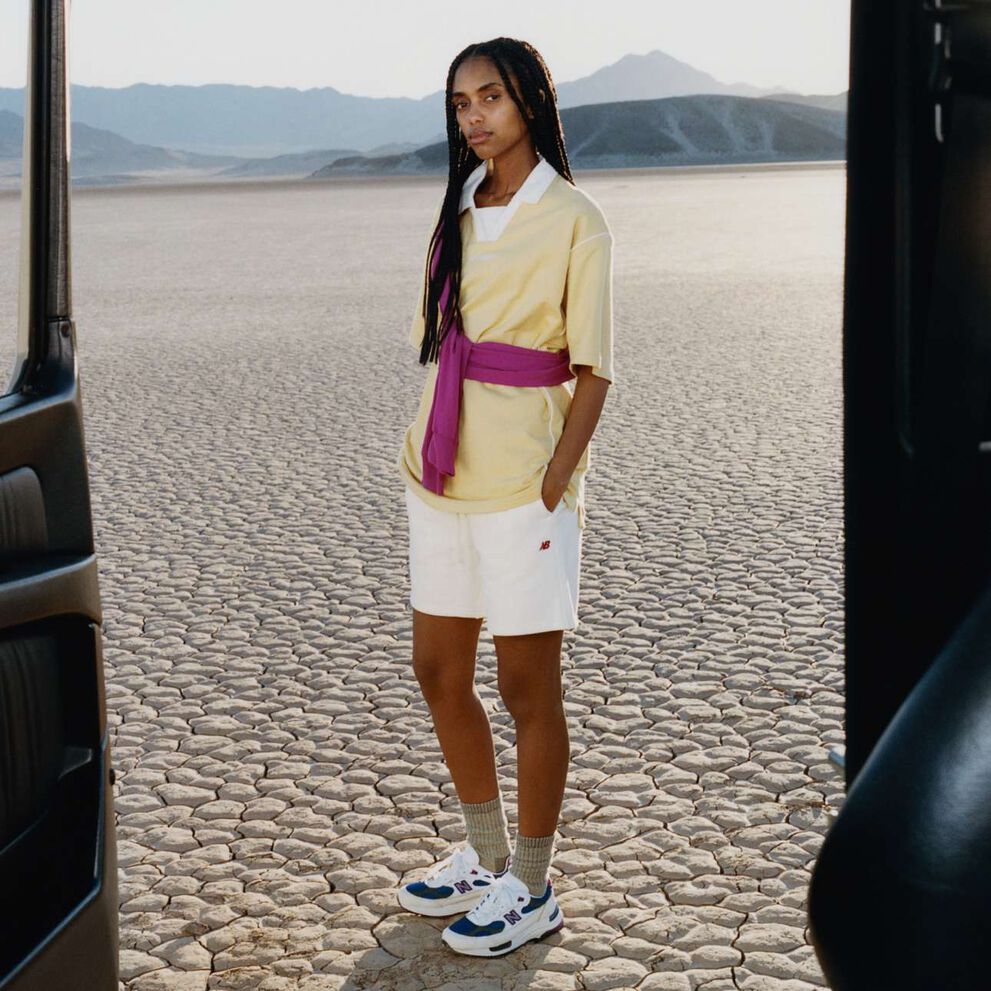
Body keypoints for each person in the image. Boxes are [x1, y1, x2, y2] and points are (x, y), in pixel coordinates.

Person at [394, 37, 616, 958]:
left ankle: (531, 882)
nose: (474, 116)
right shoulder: (455, 207)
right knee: (438, 671)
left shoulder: (575, 217)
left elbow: (595, 370)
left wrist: (554, 481)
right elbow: (438, 339)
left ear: (528, 99)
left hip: (524, 484)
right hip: (438, 470)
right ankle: (485, 861)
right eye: (459, 104)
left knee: (527, 687)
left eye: (490, 96)